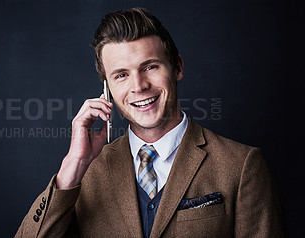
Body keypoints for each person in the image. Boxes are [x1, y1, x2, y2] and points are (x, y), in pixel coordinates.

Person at [15, 7, 284, 238]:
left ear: (177, 67)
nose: (139, 86)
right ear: (106, 89)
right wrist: (73, 166)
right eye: (121, 75)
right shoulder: (86, 174)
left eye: (150, 67)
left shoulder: (242, 165)